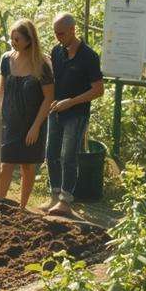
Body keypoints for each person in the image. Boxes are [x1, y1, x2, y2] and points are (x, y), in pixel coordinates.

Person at [44, 13, 104, 217]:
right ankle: (53, 195)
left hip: (76, 114)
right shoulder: (56, 52)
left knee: (68, 156)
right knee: (51, 153)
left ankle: (65, 200)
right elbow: (53, 80)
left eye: (61, 33)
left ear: (72, 30)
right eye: (55, 34)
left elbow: (98, 90)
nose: (58, 37)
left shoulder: (89, 56)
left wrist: (70, 102)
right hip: (56, 110)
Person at [0, 18, 54, 210]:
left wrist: (36, 127)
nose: (13, 42)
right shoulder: (6, 59)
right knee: (5, 166)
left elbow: (48, 98)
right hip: (11, 123)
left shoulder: (42, 64)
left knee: (27, 166)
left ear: (29, 40)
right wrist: (4, 114)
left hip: (32, 124)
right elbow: (1, 89)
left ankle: (21, 208)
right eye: (12, 39)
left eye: (17, 39)